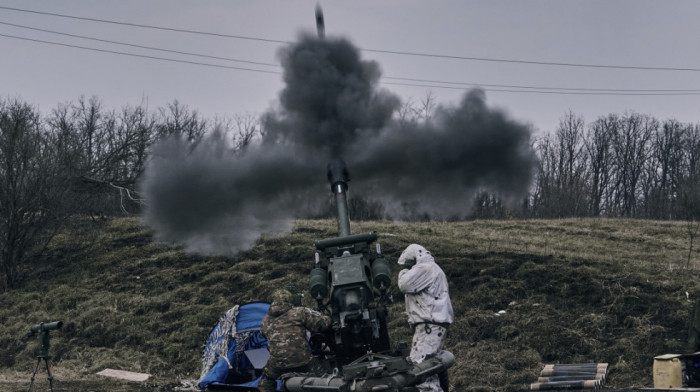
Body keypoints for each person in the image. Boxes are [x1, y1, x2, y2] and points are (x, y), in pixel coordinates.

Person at [397, 244, 454, 392]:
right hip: (432, 326)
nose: (408, 267)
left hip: (429, 326)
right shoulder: (433, 268)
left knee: (421, 370)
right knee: (429, 370)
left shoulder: (425, 268)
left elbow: (404, 284)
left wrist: (403, 271)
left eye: (409, 263)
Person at [258, 289, 331, 392]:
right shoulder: (299, 312)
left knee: (266, 381)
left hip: (277, 363)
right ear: (289, 300)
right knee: (325, 378)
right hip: (303, 360)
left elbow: (264, 334)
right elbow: (320, 325)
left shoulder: (265, 320)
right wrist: (328, 318)